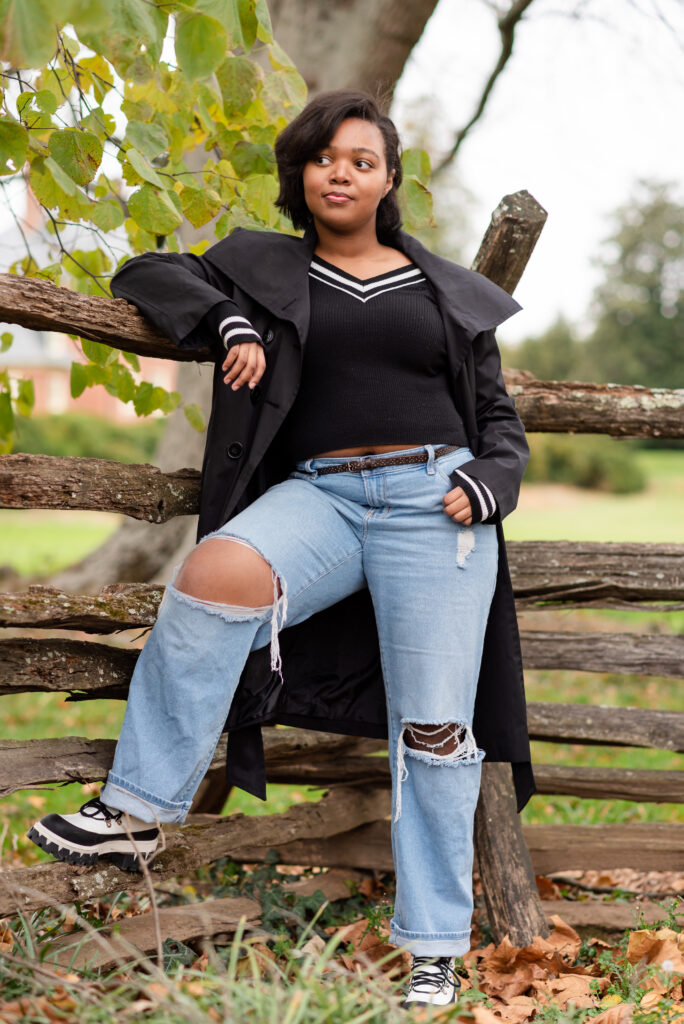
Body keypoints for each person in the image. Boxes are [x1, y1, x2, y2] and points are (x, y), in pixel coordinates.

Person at [28, 90, 532, 1009]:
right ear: (302, 174)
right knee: (214, 570)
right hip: (320, 495)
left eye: (362, 160)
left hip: (436, 504)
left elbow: (498, 420)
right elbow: (145, 269)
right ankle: (137, 811)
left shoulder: (444, 290)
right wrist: (226, 320)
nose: (341, 171)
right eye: (324, 157)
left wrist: (493, 480)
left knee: (434, 729)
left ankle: (431, 946)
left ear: (388, 180)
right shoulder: (260, 266)